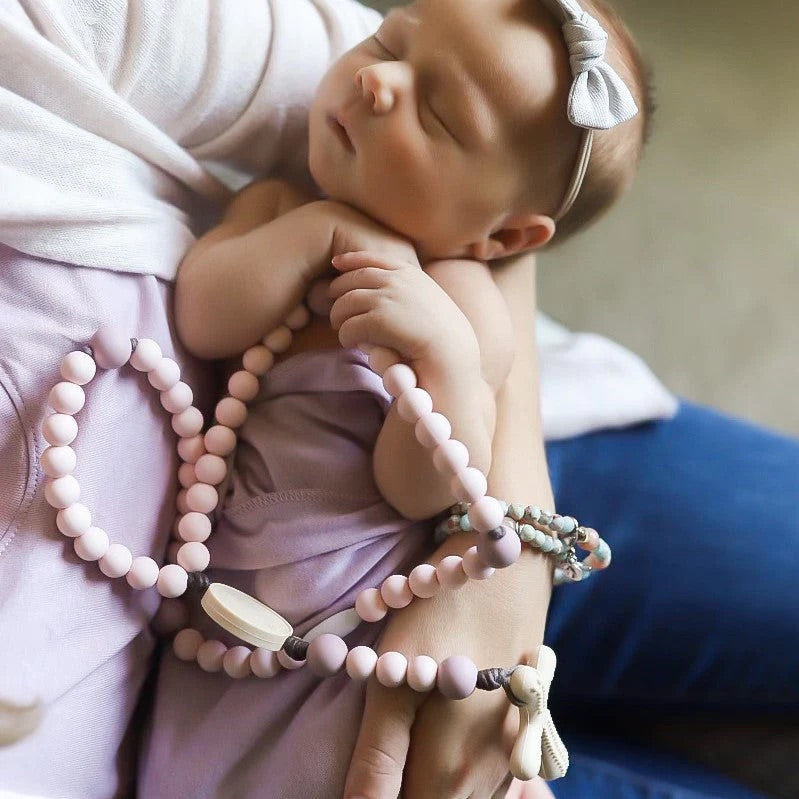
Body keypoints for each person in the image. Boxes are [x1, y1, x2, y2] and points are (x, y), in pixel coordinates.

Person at [136, 0, 650, 797]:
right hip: (228, 603)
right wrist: (315, 240)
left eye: (439, 115)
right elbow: (203, 317)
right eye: (388, 41)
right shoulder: (278, 208)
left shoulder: (465, 306)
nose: (377, 81)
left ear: (505, 239)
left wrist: (442, 361)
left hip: (360, 619)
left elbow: (415, 485)